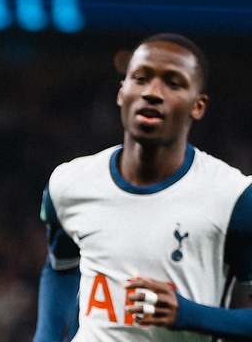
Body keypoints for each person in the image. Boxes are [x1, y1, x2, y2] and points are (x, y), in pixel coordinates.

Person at [34, 33, 252, 341]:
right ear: (122, 91)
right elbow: (61, 267)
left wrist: (189, 314)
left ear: (198, 106)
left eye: (173, 83)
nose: (152, 92)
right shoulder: (70, 183)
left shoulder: (234, 197)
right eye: (140, 78)